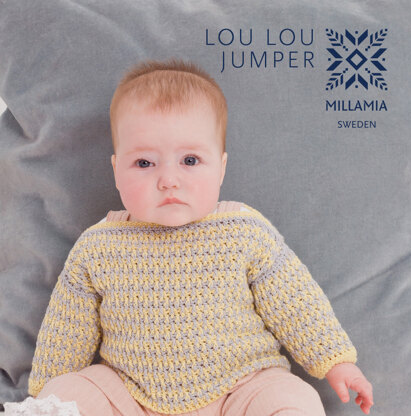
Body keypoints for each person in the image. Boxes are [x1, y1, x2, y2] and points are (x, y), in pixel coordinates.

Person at [24, 59, 373, 416]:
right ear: (116, 171)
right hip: (130, 395)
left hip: (240, 386)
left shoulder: (244, 232)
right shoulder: (97, 247)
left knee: (288, 396)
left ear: (221, 167)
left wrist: (336, 361)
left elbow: (295, 301)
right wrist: (48, 391)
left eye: (190, 160)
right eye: (144, 163)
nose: (168, 180)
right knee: (71, 391)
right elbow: (67, 329)